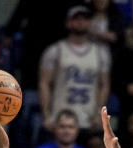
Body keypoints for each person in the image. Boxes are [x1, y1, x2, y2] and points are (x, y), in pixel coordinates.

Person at [39, 5, 111, 133]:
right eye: (76, 18)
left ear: (90, 23)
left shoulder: (101, 53)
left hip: (88, 120)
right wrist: (47, 114)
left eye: (85, 19)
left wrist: (99, 115)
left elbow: (104, 85)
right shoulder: (54, 51)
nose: (80, 22)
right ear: (68, 23)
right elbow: (44, 83)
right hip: (60, 119)